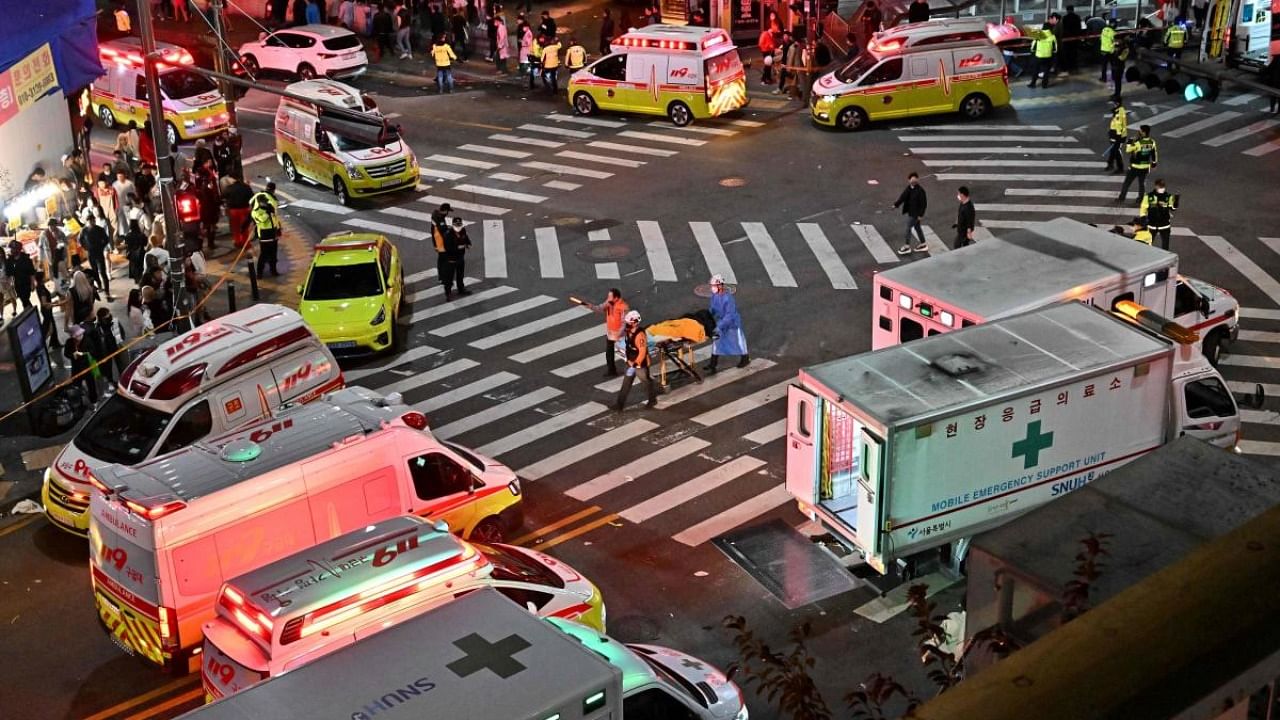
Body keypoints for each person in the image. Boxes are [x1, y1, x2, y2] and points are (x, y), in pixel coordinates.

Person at [705, 275, 749, 372]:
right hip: (722, 323)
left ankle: (745, 358)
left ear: (720, 285)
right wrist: (708, 314)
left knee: (739, 342)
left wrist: (719, 326)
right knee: (716, 343)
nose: (712, 288)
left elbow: (730, 315)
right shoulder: (714, 296)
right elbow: (713, 308)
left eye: (714, 285)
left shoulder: (728, 299)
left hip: (732, 324)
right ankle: (713, 364)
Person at [616, 310, 657, 411]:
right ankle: (619, 405)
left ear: (635, 322)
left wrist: (635, 363)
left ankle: (652, 400)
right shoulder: (628, 331)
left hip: (640, 365)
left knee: (646, 382)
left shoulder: (640, 335)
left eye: (629, 322)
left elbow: (642, 352)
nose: (627, 324)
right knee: (626, 383)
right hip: (630, 362)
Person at [591, 288, 628, 377]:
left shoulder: (623, 307)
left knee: (626, 353)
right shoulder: (609, 303)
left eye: (610, 297)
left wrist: (618, 334)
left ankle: (631, 370)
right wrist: (591, 306)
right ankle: (611, 370)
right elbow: (600, 308)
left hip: (621, 335)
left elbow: (624, 323)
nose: (608, 298)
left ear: (616, 298)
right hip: (611, 333)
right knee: (609, 352)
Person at [1118, 124, 1158, 204]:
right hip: (1145, 167)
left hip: (1135, 167)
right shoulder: (1152, 142)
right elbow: (1154, 153)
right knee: (1142, 184)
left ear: (1143, 132)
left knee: (1127, 183)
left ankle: (1122, 198)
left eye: (1140, 130)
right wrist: (1154, 163)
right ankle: (1140, 199)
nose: (1139, 132)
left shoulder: (1138, 143)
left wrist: (1129, 142)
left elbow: (1128, 150)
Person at [250, 182, 281, 277]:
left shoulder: (272, 199)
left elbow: (275, 215)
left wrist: (279, 227)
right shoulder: (260, 197)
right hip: (264, 231)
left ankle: (273, 270)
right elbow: (255, 215)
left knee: (274, 253)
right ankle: (259, 273)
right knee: (264, 253)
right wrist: (266, 214)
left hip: (273, 230)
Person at [894, 172, 929, 254]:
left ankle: (907, 246)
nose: (913, 181)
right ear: (908, 180)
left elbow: (924, 204)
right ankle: (923, 244)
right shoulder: (909, 188)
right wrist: (896, 205)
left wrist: (920, 215)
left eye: (915, 180)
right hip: (911, 212)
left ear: (917, 179)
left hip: (915, 214)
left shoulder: (920, 191)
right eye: (912, 180)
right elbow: (903, 197)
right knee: (917, 228)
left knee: (908, 228)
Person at [80, 215, 113, 300]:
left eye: (92, 220)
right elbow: (80, 240)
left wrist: (102, 247)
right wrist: (85, 247)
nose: (91, 222)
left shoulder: (99, 229)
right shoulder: (84, 231)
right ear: (87, 222)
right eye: (89, 221)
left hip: (99, 253)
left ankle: (107, 291)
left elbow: (106, 239)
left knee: (102, 272)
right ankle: (99, 285)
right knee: (94, 272)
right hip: (90, 254)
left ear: (94, 220)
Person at [64, 325, 100, 403]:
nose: (80, 336)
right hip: (76, 368)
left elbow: (93, 352)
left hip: (87, 367)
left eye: (81, 334)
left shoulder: (87, 340)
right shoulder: (69, 342)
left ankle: (94, 401)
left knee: (91, 385)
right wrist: (73, 355)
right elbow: (66, 353)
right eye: (78, 335)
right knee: (76, 386)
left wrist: (83, 354)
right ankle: (78, 403)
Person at [1140, 179, 1176, 250]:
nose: (1162, 188)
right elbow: (1143, 208)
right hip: (1152, 225)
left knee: (1165, 246)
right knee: (1148, 244)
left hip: (1164, 225)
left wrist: (1176, 203)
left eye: (1163, 187)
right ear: (1156, 186)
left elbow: (1172, 208)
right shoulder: (1149, 196)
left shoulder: (1168, 196)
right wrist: (1143, 217)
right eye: (1160, 187)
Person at [95, 306, 128, 380]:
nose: (109, 317)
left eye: (109, 314)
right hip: (106, 350)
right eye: (106, 316)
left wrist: (120, 340)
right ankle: (110, 380)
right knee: (108, 367)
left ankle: (123, 378)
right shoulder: (98, 326)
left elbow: (122, 332)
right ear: (101, 318)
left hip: (117, 346)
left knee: (122, 364)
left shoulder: (115, 321)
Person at [223, 174, 254, 248]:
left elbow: (223, 197)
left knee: (235, 227)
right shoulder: (246, 187)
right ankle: (245, 242)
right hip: (245, 209)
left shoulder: (229, 188)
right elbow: (252, 197)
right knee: (245, 227)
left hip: (233, 210)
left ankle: (238, 242)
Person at [444, 216, 472, 297]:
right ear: (453, 225)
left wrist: (468, 243)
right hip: (451, 259)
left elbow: (466, 238)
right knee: (449, 277)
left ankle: (461, 289)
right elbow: (448, 248)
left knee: (460, 275)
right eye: (456, 224)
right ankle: (448, 292)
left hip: (460, 257)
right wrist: (458, 247)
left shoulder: (463, 230)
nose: (458, 226)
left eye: (459, 224)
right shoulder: (448, 234)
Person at [5, 241, 36, 311]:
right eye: (11, 249)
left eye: (13, 248)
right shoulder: (10, 260)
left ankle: (30, 312)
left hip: (26, 283)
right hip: (17, 285)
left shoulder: (26, 258)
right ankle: (30, 312)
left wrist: (33, 283)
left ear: (18, 249)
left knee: (25, 300)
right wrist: (10, 284)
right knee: (24, 300)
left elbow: (31, 272)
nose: (12, 250)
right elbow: (9, 274)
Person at [1028, 24, 1057, 88]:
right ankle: (1044, 85)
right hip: (1048, 56)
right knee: (1046, 71)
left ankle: (1033, 83)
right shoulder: (1052, 36)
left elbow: (1033, 47)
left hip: (1038, 56)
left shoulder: (1038, 35)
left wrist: (1033, 51)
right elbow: (1055, 49)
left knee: (1036, 70)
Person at [1105, 99, 1127, 173]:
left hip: (1118, 135)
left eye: (1114, 103)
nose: (1113, 104)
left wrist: (1117, 137)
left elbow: (1119, 125)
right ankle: (1110, 164)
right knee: (1113, 150)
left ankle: (1120, 168)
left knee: (1116, 151)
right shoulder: (1117, 111)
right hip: (1114, 134)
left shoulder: (1119, 112)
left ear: (1117, 103)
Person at [1060, 5, 1082, 72]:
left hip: (1067, 39)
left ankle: (1068, 68)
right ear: (1073, 9)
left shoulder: (1064, 18)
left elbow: (1062, 28)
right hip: (1075, 39)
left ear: (1067, 10)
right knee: (1074, 53)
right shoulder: (1077, 17)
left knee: (1067, 54)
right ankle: (1075, 67)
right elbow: (1079, 27)